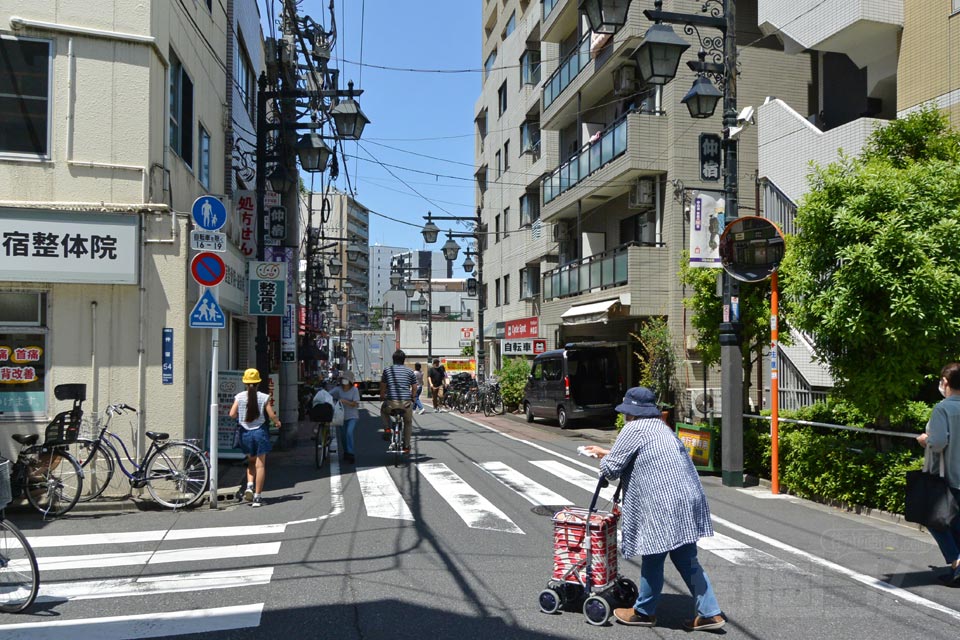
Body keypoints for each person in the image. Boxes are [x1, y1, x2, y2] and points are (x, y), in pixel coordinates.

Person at [583, 386, 724, 631]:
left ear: (631, 412)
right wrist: (606, 452)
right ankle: (710, 612)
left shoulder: (633, 428)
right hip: (686, 498)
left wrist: (604, 460)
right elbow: (645, 455)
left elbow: (612, 469)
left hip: (663, 502)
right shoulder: (662, 428)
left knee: (652, 554)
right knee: (686, 558)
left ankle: (644, 611)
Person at [917, 362, 960, 587]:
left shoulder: (943, 408)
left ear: (945, 382)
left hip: (950, 476)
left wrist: (926, 440)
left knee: (935, 520)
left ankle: (956, 561)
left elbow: (939, 442)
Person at [228, 368, 280, 508]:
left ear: (245, 382)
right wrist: (277, 422)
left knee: (251, 462)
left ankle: (249, 486)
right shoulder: (264, 397)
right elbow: (271, 414)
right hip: (260, 433)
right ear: (258, 382)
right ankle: (257, 497)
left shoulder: (239, 397)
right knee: (260, 464)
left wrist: (241, 417)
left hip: (245, 433)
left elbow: (232, 414)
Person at [380, 349, 417, 454]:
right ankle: (406, 446)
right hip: (405, 404)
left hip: (391, 403)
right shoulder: (409, 371)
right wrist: (413, 397)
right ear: (403, 360)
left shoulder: (387, 370)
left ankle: (387, 429)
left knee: (383, 410)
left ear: (393, 360)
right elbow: (414, 387)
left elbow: (383, 385)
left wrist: (382, 395)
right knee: (408, 422)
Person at [331, 372, 361, 464]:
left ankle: (351, 453)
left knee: (349, 432)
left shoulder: (354, 390)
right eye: (343, 379)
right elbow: (329, 394)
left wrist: (344, 401)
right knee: (343, 436)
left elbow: (355, 404)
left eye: (346, 379)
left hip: (352, 416)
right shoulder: (338, 389)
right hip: (341, 416)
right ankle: (346, 452)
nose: (344, 381)